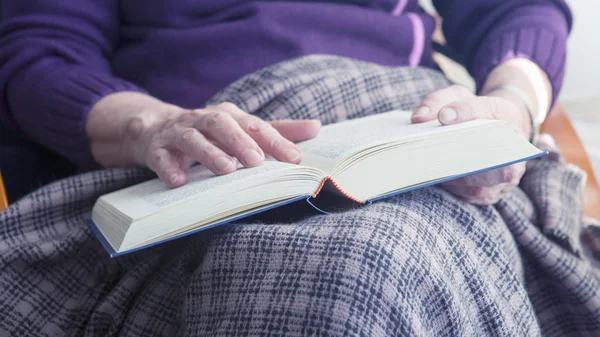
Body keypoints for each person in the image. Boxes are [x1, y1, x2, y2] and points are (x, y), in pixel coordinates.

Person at [2, 1, 598, 337]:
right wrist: (151, 127)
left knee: (368, 264)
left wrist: (513, 108)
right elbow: (41, 51)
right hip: (188, 170)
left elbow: (515, 10)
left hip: (396, 133)